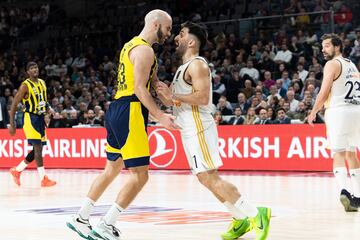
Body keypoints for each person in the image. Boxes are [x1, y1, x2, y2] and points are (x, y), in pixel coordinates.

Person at [66, 9, 179, 240]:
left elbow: (152, 83)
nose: (169, 33)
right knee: (140, 176)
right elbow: (139, 88)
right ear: (156, 24)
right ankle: (107, 224)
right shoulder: (145, 51)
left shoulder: (131, 46)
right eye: (168, 28)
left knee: (112, 169)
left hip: (116, 108)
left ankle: (81, 217)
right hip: (131, 110)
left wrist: (168, 96)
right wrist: (160, 115)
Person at [156, 21, 271, 240]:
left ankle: (256, 213)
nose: (176, 38)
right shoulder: (182, 68)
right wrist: (165, 96)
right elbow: (180, 101)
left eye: (180, 34)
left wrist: (173, 96)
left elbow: (202, 98)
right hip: (187, 126)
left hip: (198, 125)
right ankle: (239, 219)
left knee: (211, 177)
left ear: (191, 41)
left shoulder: (197, 64)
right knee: (205, 178)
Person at [308, 33, 360, 211]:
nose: (323, 50)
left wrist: (314, 110)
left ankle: (345, 191)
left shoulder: (332, 64)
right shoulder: (351, 64)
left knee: (338, 152)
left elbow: (324, 91)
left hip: (339, 110)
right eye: (322, 46)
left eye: (327, 46)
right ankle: (358, 197)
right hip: (357, 110)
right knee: (352, 152)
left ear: (337, 47)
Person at [9, 62, 57, 187]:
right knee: (37, 148)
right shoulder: (25, 85)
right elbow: (14, 104)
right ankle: (43, 179)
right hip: (30, 118)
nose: (34, 69)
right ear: (27, 72)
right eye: (31, 68)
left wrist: (49, 109)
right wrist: (12, 124)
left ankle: (17, 170)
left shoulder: (42, 82)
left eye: (35, 67)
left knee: (38, 148)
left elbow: (44, 100)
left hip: (40, 118)